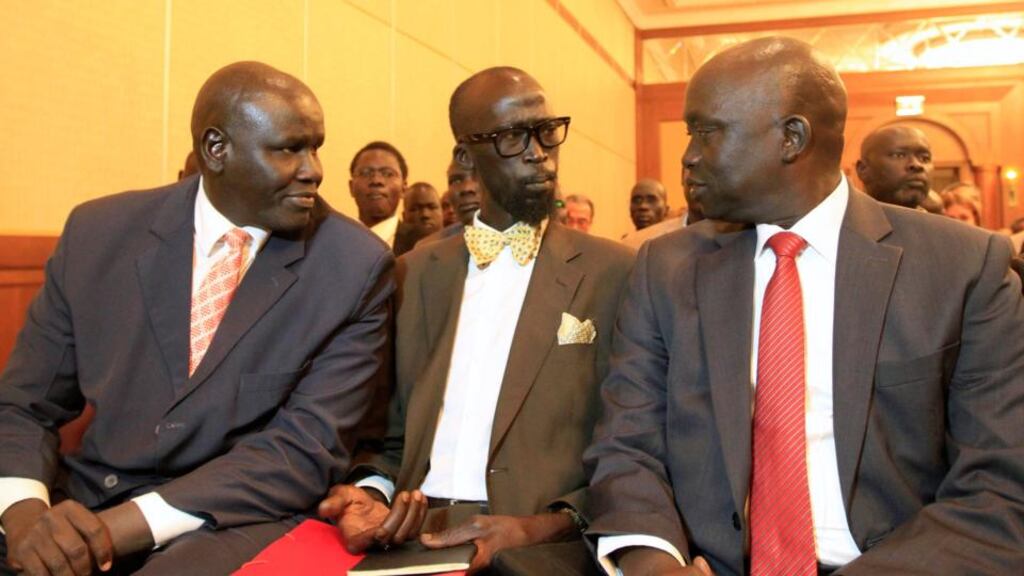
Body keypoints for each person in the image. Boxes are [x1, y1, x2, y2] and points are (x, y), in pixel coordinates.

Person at [584, 37, 1024, 576]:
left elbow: (999, 487)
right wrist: (655, 564)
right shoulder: (666, 269)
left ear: (791, 138)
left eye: (706, 130)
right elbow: (628, 446)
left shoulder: (962, 267)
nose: (688, 155)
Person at [0, 61, 394, 575]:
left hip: (229, 520)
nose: (314, 169)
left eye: (315, 146)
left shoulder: (353, 266)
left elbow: (300, 451)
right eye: (288, 148)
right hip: (84, 501)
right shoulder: (98, 233)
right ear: (216, 150)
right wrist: (25, 517)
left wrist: (113, 530)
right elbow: (24, 406)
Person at [319, 66, 634, 574]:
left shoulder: (615, 272)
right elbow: (386, 435)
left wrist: (543, 525)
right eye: (513, 137)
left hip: (544, 545)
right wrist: (370, 493)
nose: (538, 151)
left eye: (546, 131)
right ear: (465, 157)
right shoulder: (414, 275)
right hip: (412, 538)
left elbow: (632, 444)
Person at [855, 125, 933, 209]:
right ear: (863, 169)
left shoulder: (939, 221)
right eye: (899, 155)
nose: (917, 165)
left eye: (924, 158)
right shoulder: (843, 220)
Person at [350, 141, 408, 247]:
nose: (376, 181)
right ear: (351, 187)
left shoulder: (423, 244)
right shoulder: (332, 242)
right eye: (365, 173)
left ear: (404, 188)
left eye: (388, 174)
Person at [393, 182, 443, 256]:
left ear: (442, 211)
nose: (425, 215)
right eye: (415, 209)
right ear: (404, 216)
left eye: (432, 207)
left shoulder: (458, 246)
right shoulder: (391, 252)